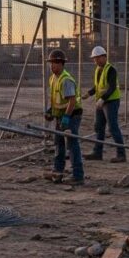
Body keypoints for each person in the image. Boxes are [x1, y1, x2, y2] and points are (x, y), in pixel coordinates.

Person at [44, 49, 84, 185]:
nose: (52, 66)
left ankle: (78, 175)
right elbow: (56, 99)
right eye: (51, 63)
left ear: (61, 64)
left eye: (54, 63)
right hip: (61, 116)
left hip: (72, 115)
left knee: (72, 144)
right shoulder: (53, 78)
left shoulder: (66, 80)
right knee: (59, 143)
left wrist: (66, 118)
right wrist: (51, 111)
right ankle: (58, 171)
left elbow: (72, 101)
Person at [83, 45, 126, 163]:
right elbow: (98, 86)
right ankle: (97, 152)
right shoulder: (98, 70)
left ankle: (121, 154)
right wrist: (89, 93)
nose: (95, 60)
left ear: (104, 57)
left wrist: (103, 99)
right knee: (99, 127)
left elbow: (112, 88)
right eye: (94, 58)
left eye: (97, 58)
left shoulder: (110, 69)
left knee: (113, 127)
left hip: (111, 101)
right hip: (101, 102)